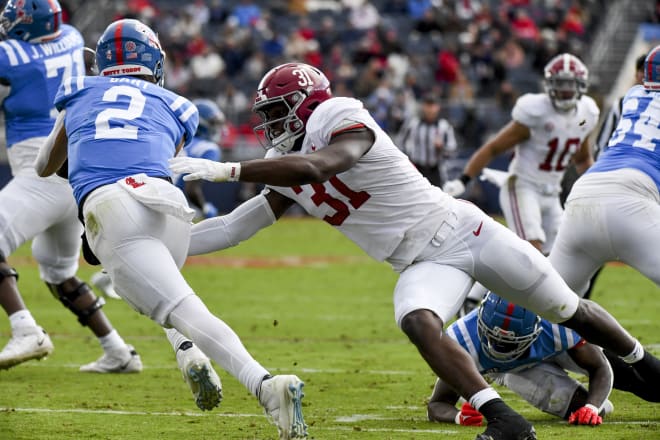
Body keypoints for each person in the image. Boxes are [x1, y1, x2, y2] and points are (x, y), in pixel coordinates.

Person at [169, 62, 660, 440]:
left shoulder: (339, 116)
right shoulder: (281, 162)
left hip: (463, 229)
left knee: (564, 307)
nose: (271, 125)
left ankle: (644, 364)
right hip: (422, 262)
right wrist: (165, 247)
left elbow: (323, 166)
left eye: (277, 112)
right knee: (418, 320)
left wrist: (231, 170)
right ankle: (504, 420)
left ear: (306, 103)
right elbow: (235, 227)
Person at [35, 19, 306, 439]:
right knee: (151, 285)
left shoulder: (79, 90)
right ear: (153, 61)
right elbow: (159, 156)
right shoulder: (179, 104)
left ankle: (265, 385)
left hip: (111, 204)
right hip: (165, 203)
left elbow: (43, 167)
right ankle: (187, 351)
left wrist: (82, 152)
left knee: (175, 303)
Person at [0, 0, 141, 374]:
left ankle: (26, 329)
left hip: (40, 172)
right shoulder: (70, 36)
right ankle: (118, 351)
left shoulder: (9, 56)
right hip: (73, 175)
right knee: (58, 271)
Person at [443, 53, 598, 316]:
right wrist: (464, 179)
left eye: (569, 85)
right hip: (522, 186)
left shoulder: (586, 114)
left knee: (560, 257)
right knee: (531, 252)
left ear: (580, 87)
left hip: (552, 194)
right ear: (549, 85)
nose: (564, 91)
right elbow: (493, 147)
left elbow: (582, 158)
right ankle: (479, 300)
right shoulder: (535, 112)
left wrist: (597, 190)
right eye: (559, 84)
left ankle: (475, 293)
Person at [428, 292, 659, 428]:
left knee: (627, 376)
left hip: (553, 346)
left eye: (511, 343)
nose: (503, 347)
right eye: (496, 340)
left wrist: (592, 406)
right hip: (515, 371)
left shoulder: (556, 324)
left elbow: (599, 367)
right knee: (591, 411)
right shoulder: (462, 340)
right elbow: (437, 404)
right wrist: (459, 417)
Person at [547, 45, 660, 309]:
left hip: (584, 194)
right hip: (632, 200)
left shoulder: (633, 96)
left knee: (547, 303)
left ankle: (470, 337)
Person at [90, 98, 226, 300]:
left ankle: (112, 276)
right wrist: (205, 207)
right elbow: (191, 187)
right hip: (171, 201)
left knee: (150, 247)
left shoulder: (174, 137)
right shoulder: (208, 148)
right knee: (167, 254)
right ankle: (126, 282)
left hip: (147, 191)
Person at [395, 93, 457, 187]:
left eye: (433, 105)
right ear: (423, 106)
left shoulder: (444, 126)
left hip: (436, 170)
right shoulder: (413, 124)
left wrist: (441, 148)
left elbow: (452, 151)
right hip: (416, 168)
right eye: (428, 105)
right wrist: (407, 160)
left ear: (438, 107)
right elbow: (400, 143)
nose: (430, 109)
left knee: (437, 198)